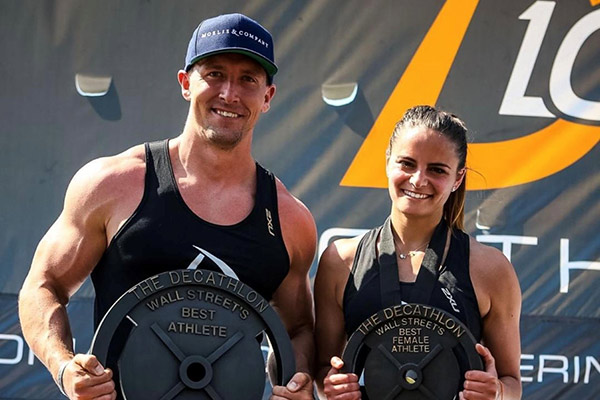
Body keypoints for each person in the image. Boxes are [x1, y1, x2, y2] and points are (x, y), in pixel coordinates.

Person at [19, 13, 316, 400]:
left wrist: (295, 382)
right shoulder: (113, 184)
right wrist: (64, 366)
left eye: (248, 79)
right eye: (214, 74)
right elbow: (44, 285)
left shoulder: (289, 219)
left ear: (267, 97)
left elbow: (298, 330)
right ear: (185, 84)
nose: (229, 93)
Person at [314, 105, 522, 399]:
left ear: (458, 179)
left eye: (437, 170)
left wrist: (496, 391)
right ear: (388, 161)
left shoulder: (489, 268)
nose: (418, 180)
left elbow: (512, 383)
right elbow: (324, 372)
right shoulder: (340, 260)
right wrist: (331, 388)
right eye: (407, 164)